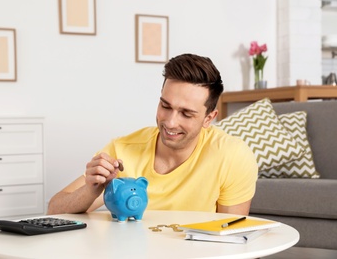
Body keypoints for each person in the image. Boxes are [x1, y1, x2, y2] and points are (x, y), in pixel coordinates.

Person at [47, 53, 258, 216]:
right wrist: (91, 191)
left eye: (186, 113)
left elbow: (233, 238)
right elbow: (54, 211)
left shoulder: (232, 156)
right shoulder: (122, 150)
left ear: (208, 118)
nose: (170, 121)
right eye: (165, 106)